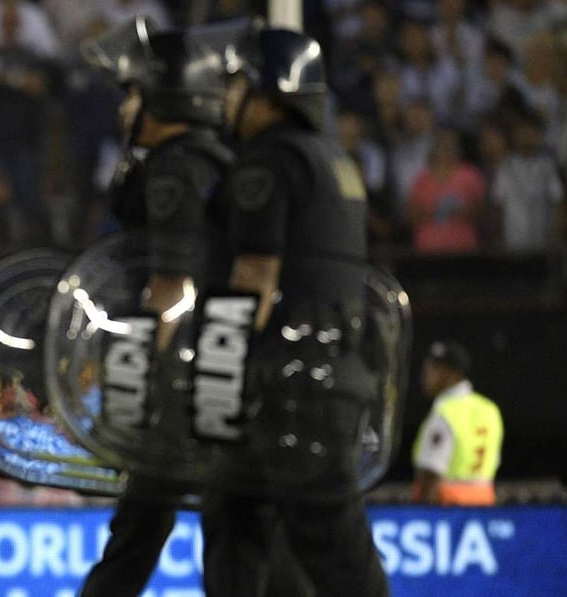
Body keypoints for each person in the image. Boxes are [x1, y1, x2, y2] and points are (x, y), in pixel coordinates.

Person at [78, 18, 311, 597]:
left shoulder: (174, 171)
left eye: (134, 94)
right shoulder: (206, 160)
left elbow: (173, 287)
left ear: (167, 96)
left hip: (187, 378)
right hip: (211, 369)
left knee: (173, 527)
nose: (126, 109)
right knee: (201, 527)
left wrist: (144, 381)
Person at [200, 23, 390, 597]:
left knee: (331, 546)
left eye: (238, 87)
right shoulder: (333, 159)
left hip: (289, 386)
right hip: (335, 372)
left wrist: (213, 380)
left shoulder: (266, 162)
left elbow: (255, 279)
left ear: (270, 91)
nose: (228, 100)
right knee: (245, 527)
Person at [412, 340, 504, 506]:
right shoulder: (490, 410)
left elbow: (431, 473)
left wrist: (422, 514)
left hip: (448, 512)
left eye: (434, 369)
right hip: (485, 510)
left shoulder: (445, 412)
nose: (425, 376)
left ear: (453, 374)